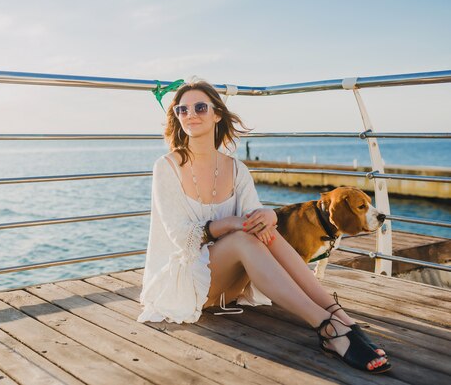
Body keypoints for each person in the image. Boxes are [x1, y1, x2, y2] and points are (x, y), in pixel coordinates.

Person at [138, 80, 391, 374]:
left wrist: (269, 215)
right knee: (244, 238)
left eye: (200, 107)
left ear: (217, 114)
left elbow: (255, 218)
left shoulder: (236, 169)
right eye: (182, 109)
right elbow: (180, 237)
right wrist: (230, 223)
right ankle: (326, 326)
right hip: (184, 286)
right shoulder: (166, 166)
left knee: (261, 231)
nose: (190, 114)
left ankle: (338, 316)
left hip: (227, 286)